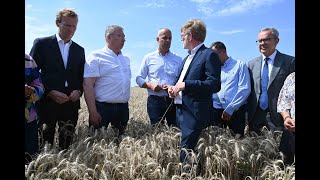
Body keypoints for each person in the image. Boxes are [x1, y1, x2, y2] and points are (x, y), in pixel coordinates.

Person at [29, 8, 85, 150]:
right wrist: (48, 91)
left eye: (74, 26)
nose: (71, 29)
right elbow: (31, 73)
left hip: (70, 104)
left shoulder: (79, 50)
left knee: (66, 145)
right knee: (44, 144)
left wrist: (78, 91)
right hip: (47, 103)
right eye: (67, 25)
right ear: (57, 23)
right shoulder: (41, 44)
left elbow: (80, 76)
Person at [167, 19, 221, 164]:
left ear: (190, 36)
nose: (181, 39)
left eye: (182, 36)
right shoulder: (186, 58)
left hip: (194, 114)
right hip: (180, 111)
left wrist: (186, 85)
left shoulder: (209, 54)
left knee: (187, 154)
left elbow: (214, 84)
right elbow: (180, 83)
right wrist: (174, 90)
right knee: (185, 152)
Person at [83, 25, 131, 136]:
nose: (123, 39)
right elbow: (88, 84)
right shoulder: (96, 56)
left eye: (124, 37)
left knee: (120, 141)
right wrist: (92, 111)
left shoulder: (125, 59)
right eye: (120, 36)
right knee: (97, 142)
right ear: (109, 37)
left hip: (123, 108)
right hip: (102, 108)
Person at [247, 27, 295, 134]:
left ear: (277, 40)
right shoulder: (251, 64)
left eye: (267, 39)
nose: (262, 43)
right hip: (255, 116)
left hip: (279, 117)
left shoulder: (290, 61)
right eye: (260, 41)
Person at [136, 28, 182, 127]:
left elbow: (181, 80)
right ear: (157, 40)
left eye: (170, 38)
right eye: (164, 38)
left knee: (175, 130)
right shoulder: (148, 58)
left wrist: (173, 88)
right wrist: (150, 86)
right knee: (156, 131)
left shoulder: (178, 59)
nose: (168, 41)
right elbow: (139, 78)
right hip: (155, 101)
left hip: (173, 102)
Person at [209, 41, 251, 137]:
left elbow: (244, 89)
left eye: (214, 55)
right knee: (216, 142)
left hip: (235, 112)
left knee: (237, 141)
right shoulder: (213, 68)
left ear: (223, 52)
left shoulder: (239, 65)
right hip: (216, 112)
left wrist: (230, 109)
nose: (213, 59)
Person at [25, 53, 44, 164]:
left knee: (30, 162)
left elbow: (40, 87)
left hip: (28, 122)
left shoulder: (29, 60)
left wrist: (30, 92)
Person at [277, 60, 295, 165]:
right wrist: (287, 118)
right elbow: (283, 101)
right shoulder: (292, 78)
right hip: (290, 131)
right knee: (287, 165)